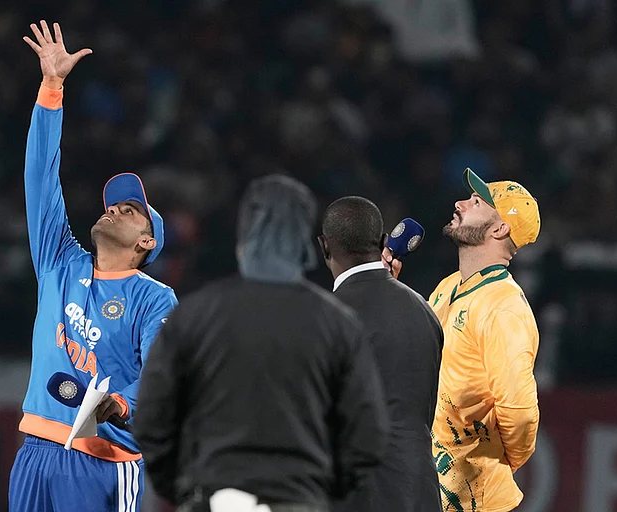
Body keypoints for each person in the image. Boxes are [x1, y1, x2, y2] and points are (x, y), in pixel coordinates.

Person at [133, 175, 389, 512]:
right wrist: (320, 491)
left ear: (243, 236)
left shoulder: (195, 315)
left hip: (214, 495)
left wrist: (184, 488)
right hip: (299, 497)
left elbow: (152, 420)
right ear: (306, 243)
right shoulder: (338, 324)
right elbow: (368, 436)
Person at [8, 21, 178, 512]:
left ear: (147, 241)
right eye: (115, 203)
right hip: (35, 450)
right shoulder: (60, 262)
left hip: (103, 459)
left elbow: (163, 371)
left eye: (133, 210)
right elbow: (40, 175)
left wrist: (124, 402)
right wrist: (51, 89)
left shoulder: (153, 297)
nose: (118, 208)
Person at [384, 168, 541, 512]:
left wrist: (491, 462)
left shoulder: (504, 308)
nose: (459, 203)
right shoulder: (449, 286)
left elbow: (521, 417)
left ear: (500, 229)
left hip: (473, 501)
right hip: (428, 489)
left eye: (476, 202)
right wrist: (387, 291)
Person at [318, 196, 443, 512]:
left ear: (325, 246)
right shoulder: (425, 311)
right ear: (384, 241)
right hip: (420, 493)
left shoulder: (324, 317)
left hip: (357, 497)